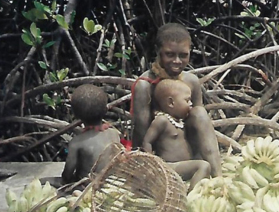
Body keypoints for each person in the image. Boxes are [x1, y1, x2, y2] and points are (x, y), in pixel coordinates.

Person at [131, 23, 222, 177]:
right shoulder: (145, 86)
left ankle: (218, 177)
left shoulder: (191, 81)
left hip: (192, 158)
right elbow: (142, 135)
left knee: (199, 112)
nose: (177, 61)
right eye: (170, 54)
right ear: (158, 52)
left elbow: (201, 125)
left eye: (183, 55)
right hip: (164, 160)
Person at [142, 79, 211, 192]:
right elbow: (147, 142)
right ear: (171, 103)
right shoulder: (162, 121)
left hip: (181, 166)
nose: (191, 104)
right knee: (203, 166)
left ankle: (192, 191)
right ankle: (191, 195)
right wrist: (153, 166)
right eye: (187, 100)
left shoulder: (180, 121)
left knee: (203, 164)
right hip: (170, 166)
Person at [61, 84, 121, 184]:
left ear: (75, 114)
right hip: (113, 184)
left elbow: (67, 175)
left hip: (88, 188)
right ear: (106, 110)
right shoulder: (115, 134)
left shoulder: (77, 142)